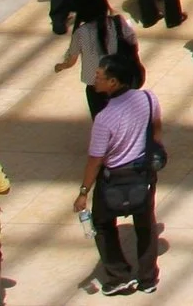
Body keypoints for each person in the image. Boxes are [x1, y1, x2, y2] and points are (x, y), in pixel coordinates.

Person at [75, 54, 162, 297]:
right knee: (145, 225)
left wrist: (83, 192)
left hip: (114, 179)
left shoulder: (104, 119)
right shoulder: (148, 98)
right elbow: (156, 131)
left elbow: (95, 159)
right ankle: (148, 277)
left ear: (113, 82)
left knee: (103, 224)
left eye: (99, 77)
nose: (95, 80)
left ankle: (119, 275)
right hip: (143, 174)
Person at [53, 0, 142, 115]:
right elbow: (133, 44)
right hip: (118, 82)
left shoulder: (81, 33)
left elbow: (71, 61)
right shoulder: (118, 23)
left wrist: (60, 66)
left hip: (95, 86)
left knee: (102, 122)